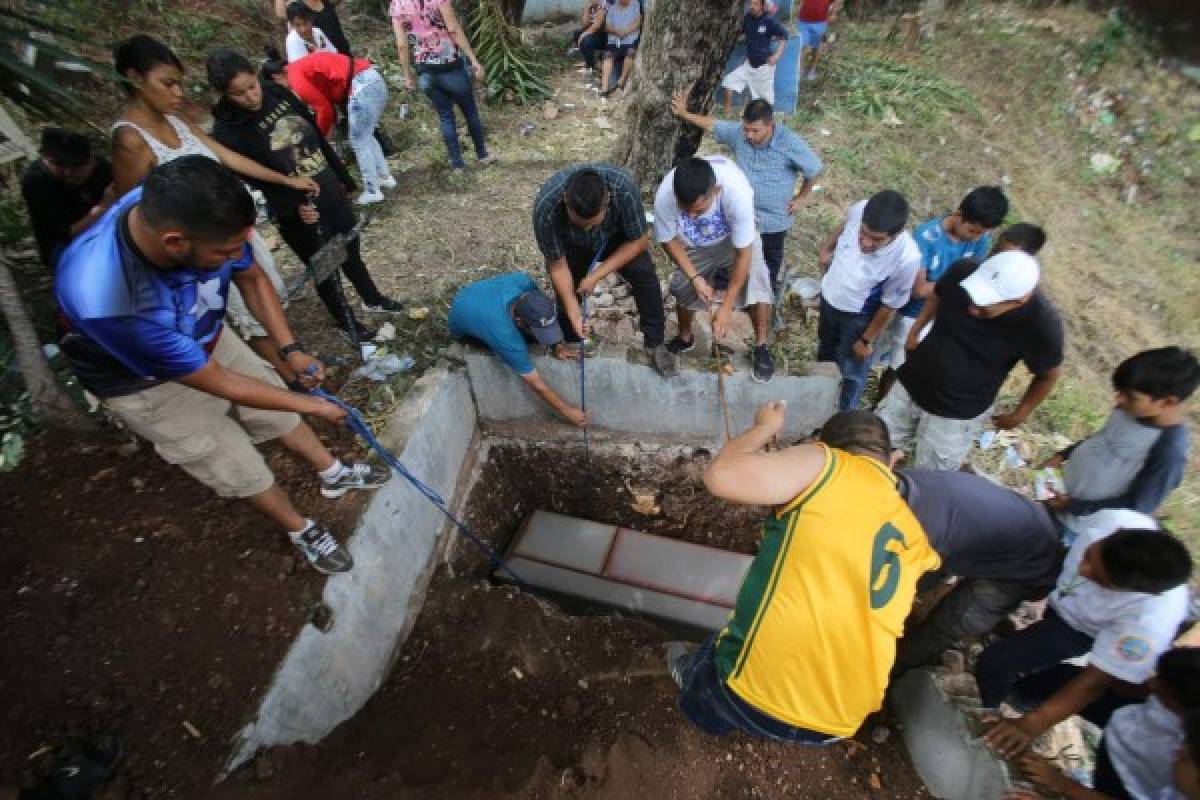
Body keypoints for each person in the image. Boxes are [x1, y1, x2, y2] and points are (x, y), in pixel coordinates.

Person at [56, 157, 388, 574]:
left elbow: (250, 277)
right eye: (226, 251)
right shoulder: (109, 296)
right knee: (229, 457)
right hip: (144, 382)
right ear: (175, 243)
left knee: (274, 406)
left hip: (202, 334)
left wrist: (290, 349)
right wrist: (316, 405)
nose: (238, 254)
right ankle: (300, 529)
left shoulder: (190, 206)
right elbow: (219, 383)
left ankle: (333, 473)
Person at [668, 407, 940, 742]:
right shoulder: (913, 533)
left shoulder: (828, 464)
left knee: (719, 656)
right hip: (842, 721)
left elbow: (720, 476)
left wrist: (766, 427)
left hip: (754, 696)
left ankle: (702, 710)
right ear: (892, 462)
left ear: (822, 445)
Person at [110, 34, 315, 383]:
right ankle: (291, 381)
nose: (178, 94)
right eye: (168, 84)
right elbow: (131, 209)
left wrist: (285, 180)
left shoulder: (175, 120)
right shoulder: (130, 140)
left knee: (263, 290)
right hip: (201, 248)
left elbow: (228, 157)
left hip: (231, 227)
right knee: (243, 309)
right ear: (134, 78)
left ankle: (292, 359)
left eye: (180, 84)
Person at [207, 49, 403, 349]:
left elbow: (313, 134)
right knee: (324, 264)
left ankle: (372, 298)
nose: (252, 97)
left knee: (349, 244)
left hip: (325, 183)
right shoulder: (226, 129)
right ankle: (346, 321)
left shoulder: (274, 90)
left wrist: (342, 176)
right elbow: (253, 179)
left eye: (252, 87)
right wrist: (292, 206)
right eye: (240, 94)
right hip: (296, 208)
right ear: (224, 95)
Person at [978, 509, 1192, 759]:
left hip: (1080, 630)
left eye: (1098, 577)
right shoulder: (1114, 521)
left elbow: (1095, 681)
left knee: (997, 661)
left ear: (1134, 591)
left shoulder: (1149, 622)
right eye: (1090, 555)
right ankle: (1024, 686)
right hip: (1064, 602)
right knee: (1031, 655)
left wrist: (1033, 724)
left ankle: (989, 710)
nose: (1082, 568)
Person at [876, 249, 1064, 470]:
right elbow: (938, 293)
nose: (972, 308)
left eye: (985, 304)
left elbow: (1049, 374)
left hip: (957, 412)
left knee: (933, 474)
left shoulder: (1041, 324)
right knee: (877, 442)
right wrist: (915, 330)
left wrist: (1019, 414)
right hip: (914, 379)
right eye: (973, 295)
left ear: (1018, 301)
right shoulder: (963, 270)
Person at [891, 468, 1061, 676]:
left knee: (951, 622)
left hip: (1027, 565)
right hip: (1009, 528)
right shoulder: (901, 483)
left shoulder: (913, 527)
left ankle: (890, 669)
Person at [670, 95, 823, 293]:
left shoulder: (789, 142)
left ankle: (764, 301)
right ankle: (725, 299)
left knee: (768, 263)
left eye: (755, 130)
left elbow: (814, 169)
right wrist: (685, 114)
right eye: (746, 129)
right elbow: (714, 125)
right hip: (741, 212)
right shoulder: (739, 134)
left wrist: (802, 197)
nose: (749, 135)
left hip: (773, 219)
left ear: (770, 126)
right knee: (731, 256)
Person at [531, 164, 673, 376]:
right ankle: (572, 341)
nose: (587, 228)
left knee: (644, 274)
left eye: (591, 223)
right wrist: (574, 312)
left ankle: (655, 344)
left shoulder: (623, 188)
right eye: (580, 223)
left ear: (607, 203)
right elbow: (558, 266)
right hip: (571, 247)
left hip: (617, 240)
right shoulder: (546, 208)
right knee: (566, 297)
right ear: (565, 200)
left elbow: (639, 241)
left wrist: (596, 275)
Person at [874, 186, 1009, 405]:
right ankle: (880, 404)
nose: (976, 238)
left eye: (982, 234)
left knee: (925, 366)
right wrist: (954, 284)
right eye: (973, 231)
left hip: (944, 315)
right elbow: (919, 290)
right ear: (959, 214)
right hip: (914, 315)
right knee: (899, 364)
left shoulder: (978, 242)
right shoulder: (926, 237)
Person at [1011, 647, 1200, 800]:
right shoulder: (1181, 699)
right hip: (1122, 725)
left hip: (1126, 783)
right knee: (1065, 680)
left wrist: (1059, 783)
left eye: (1185, 756)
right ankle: (1018, 696)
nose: (1152, 683)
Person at [1043, 347, 1195, 530]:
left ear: (1167, 402)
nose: (1119, 400)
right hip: (1056, 498)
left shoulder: (1169, 451)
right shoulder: (1129, 410)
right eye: (1120, 392)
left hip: (1077, 527)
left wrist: (1073, 506)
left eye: (1131, 397)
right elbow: (1103, 439)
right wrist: (1062, 455)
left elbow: (1137, 507)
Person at [655, 156, 777, 383]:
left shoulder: (736, 192)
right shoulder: (665, 195)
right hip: (695, 243)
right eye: (686, 210)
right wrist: (694, 278)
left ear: (716, 191)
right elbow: (668, 239)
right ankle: (685, 337)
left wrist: (727, 307)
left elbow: (744, 254)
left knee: (758, 282)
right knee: (681, 286)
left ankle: (761, 346)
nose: (691, 215)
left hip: (735, 240)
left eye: (698, 210)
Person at [816, 190, 920, 410]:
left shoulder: (907, 258)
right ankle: (819, 399)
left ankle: (843, 415)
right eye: (863, 233)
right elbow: (844, 226)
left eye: (876, 239)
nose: (865, 243)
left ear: (896, 233)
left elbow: (889, 306)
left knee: (852, 371)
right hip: (830, 297)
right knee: (826, 352)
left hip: (859, 318)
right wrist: (827, 248)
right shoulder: (860, 209)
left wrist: (865, 340)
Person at [447, 272, 586, 426]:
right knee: (524, 345)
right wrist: (566, 410)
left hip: (475, 296)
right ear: (518, 321)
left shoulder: (524, 282)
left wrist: (558, 345)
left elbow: (540, 316)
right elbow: (536, 384)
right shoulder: (504, 334)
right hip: (465, 326)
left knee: (534, 336)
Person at [391, 0, 492, 172]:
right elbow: (453, 29)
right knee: (470, 111)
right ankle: (482, 155)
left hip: (426, 70)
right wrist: (474, 60)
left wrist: (408, 76)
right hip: (451, 64)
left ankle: (457, 164)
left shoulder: (397, 5)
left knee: (445, 117)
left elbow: (402, 45)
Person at [285, 50, 395, 204]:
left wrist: (318, 138)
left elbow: (324, 109)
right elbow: (328, 108)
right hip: (372, 79)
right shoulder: (303, 66)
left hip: (361, 87)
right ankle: (384, 177)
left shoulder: (294, 76)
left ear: (277, 77)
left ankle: (372, 190)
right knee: (366, 136)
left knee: (358, 140)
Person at [20, 128, 113, 271]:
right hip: (64, 245)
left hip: (104, 231)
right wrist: (102, 208)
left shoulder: (99, 169)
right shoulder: (37, 182)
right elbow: (65, 233)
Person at [720, 0, 789, 115]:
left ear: (762, 6)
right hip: (748, 65)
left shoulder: (768, 21)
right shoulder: (747, 18)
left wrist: (777, 55)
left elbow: (784, 35)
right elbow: (740, 31)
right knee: (729, 81)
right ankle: (727, 113)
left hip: (764, 67)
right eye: (751, 3)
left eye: (756, 4)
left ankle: (766, 121)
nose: (752, 6)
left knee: (766, 100)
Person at [274, 0, 351, 56]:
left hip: (341, 48)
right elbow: (281, 14)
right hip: (321, 57)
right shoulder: (296, 6)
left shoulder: (324, 2)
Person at [600, 0, 641, 96]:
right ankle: (604, 89)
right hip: (614, 41)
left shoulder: (635, 3)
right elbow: (607, 26)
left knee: (631, 52)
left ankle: (621, 83)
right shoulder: (612, 7)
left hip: (630, 40)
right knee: (608, 55)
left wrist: (626, 31)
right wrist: (617, 31)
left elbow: (638, 21)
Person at [797, 0, 839, 82]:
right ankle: (799, 72)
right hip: (804, 21)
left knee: (816, 48)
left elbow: (836, 1)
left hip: (820, 22)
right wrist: (800, 5)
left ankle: (812, 70)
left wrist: (833, 13)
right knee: (801, 46)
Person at [572, 0, 608, 71]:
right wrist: (587, 9)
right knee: (577, 34)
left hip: (607, 36)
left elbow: (596, 26)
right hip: (596, 32)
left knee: (586, 41)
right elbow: (584, 25)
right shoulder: (590, 5)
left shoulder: (605, 5)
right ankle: (588, 60)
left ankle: (591, 65)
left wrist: (582, 36)